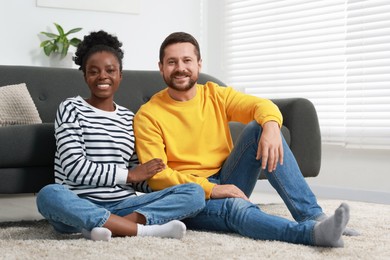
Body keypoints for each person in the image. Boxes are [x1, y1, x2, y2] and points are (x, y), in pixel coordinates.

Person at [133, 32, 355, 247]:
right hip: (188, 196)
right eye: (172, 62)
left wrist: (270, 126)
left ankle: (313, 216)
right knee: (236, 209)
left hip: (229, 178)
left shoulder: (214, 94)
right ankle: (313, 234)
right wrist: (211, 189)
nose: (180, 68)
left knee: (261, 127)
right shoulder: (148, 115)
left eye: (187, 60)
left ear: (199, 64)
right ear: (161, 67)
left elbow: (262, 105)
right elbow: (158, 177)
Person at [36, 30, 205, 242]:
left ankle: (104, 225)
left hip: (123, 204)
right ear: (85, 75)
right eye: (94, 71)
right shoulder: (71, 108)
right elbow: (73, 169)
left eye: (110, 70)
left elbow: (137, 175)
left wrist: (157, 176)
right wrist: (130, 175)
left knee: (194, 193)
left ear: (120, 74)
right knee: (48, 195)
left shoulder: (128, 117)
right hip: (78, 204)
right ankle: (142, 230)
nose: (103, 76)